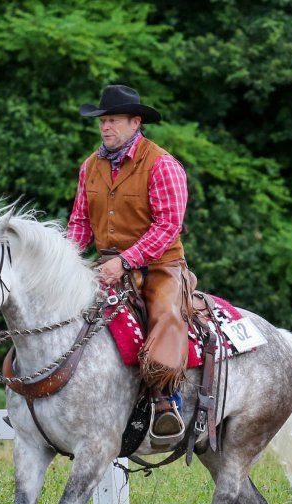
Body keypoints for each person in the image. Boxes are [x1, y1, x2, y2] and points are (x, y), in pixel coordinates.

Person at [66, 84, 195, 440]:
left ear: (135, 122)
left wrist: (124, 261)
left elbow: (168, 225)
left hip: (160, 266)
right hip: (105, 264)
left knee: (163, 315)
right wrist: (64, 264)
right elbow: (79, 224)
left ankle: (166, 401)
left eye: (113, 120)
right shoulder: (90, 167)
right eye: (103, 121)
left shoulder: (162, 164)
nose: (106, 127)